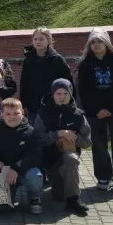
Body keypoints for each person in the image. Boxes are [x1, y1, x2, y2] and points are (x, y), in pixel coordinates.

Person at [77, 28, 113, 194]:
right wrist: (97, 109)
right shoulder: (85, 64)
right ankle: (103, 177)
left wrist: (110, 108)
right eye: (93, 42)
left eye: (99, 41)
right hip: (94, 111)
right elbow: (84, 90)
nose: (96, 45)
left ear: (107, 43)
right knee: (99, 143)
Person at [32, 79, 91, 217]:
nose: (62, 97)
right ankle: (38, 194)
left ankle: (73, 199)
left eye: (66, 93)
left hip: (66, 155)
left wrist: (75, 138)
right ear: (53, 94)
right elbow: (37, 138)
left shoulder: (78, 115)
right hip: (46, 156)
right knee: (57, 196)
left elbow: (87, 142)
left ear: (71, 95)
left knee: (71, 158)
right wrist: (58, 134)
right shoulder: (43, 113)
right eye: (58, 93)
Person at [0, 98, 44, 213]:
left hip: (25, 172)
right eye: (8, 114)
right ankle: (4, 200)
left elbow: (36, 156)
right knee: (2, 209)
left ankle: (34, 198)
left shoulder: (32, 133)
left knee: (35, 175)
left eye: (16, 113)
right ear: (1, 115)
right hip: (6, 175)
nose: (12, 117)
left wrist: (16, 168)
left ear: (22, 113)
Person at [19, 27, 72, 123]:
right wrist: (23, 103)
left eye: (41, 39)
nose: (38, 42)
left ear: (48, 41)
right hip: (34, 105)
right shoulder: (28, 60)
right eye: (35, 39)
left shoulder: (57, 59)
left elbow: (68, 82)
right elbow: (24, 83)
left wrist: (68, 101)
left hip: (54, 104)